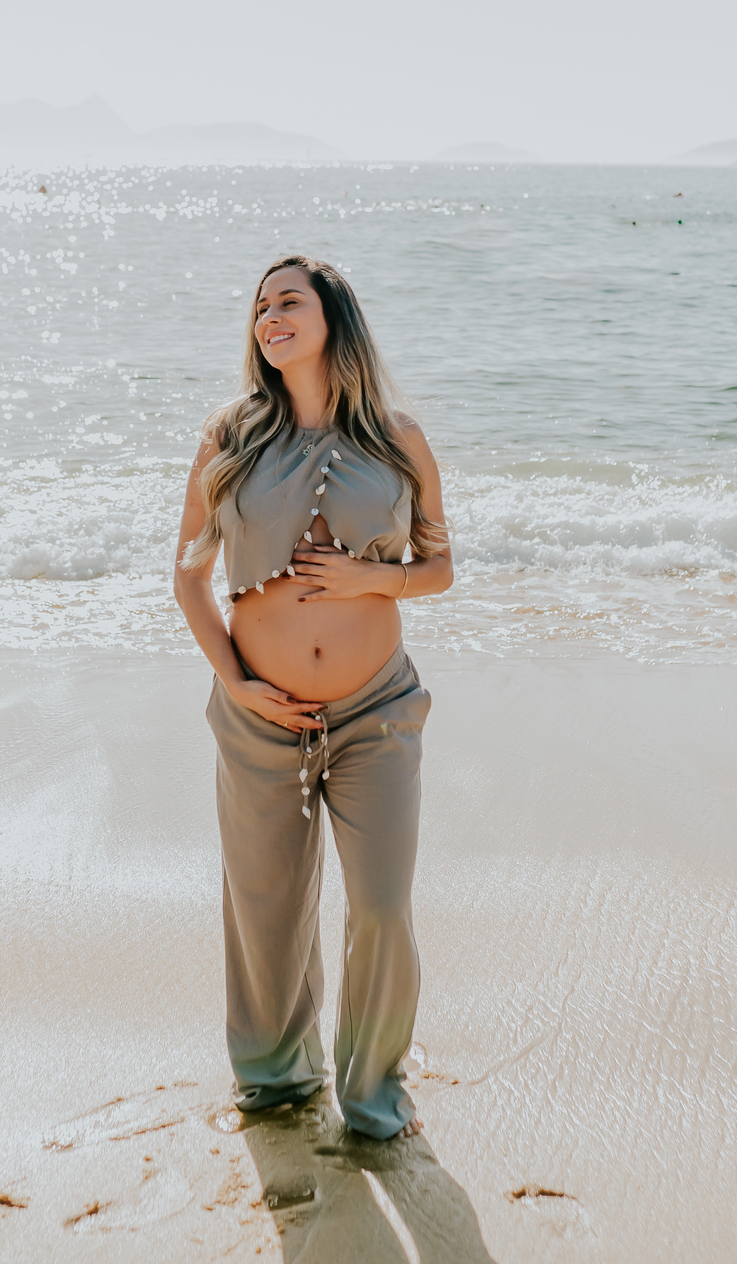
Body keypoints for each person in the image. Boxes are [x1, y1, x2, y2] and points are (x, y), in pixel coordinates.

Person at [174, 253, 453, 1140]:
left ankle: (374, 1095)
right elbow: (189, 577)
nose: (269, 317)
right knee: (265, 909)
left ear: (335, 317)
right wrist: (238, 683)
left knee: (378, 905)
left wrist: (369, 583)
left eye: (288, 300)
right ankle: (275, 1082)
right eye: (259, 306)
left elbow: (440, 568)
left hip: (377, 711)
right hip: (260, 719)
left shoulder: (398, 439)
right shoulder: (229, 436)